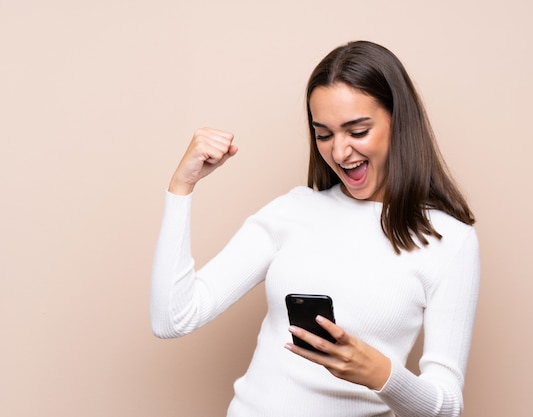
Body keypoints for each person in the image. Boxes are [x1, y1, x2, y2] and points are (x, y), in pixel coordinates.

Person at [150, 40, 480, 417]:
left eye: (357, 131)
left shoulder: (450, 240)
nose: (339, 153)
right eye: (324, 134)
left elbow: (447, 406)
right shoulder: (291, 212)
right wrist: (181, 187)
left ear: (398, 121)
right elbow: (172, 318)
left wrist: (379, 373)